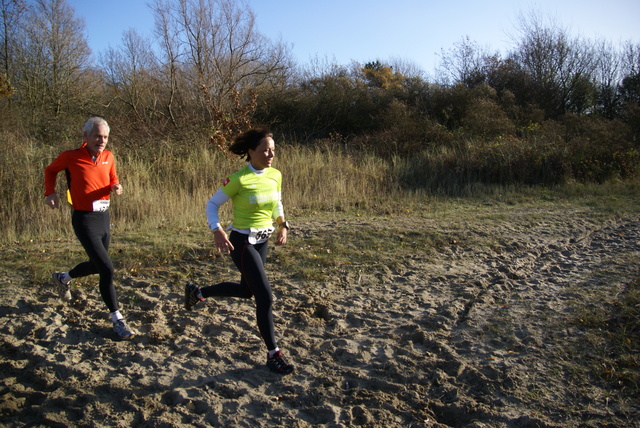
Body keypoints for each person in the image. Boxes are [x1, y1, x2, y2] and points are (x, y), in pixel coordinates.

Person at [184, 127, 294, 375]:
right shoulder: (239, 179)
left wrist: (282, 224)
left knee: (247, 291)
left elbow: (276, 201)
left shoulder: (275, 175)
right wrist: (217, 230)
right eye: (265, 150)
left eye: (273, 150)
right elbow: (212, 204)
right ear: (251, 151)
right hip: (241, 242)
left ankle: (198, 292)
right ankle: (273, 354)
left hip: (262, 241)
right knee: (264, 296)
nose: (270, 155)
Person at [44, 116, 135, 340]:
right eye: (97, 136)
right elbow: (50, 171)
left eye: (105, 137)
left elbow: (113, 177)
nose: (101, 141)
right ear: (86, 136)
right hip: (84, 219)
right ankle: (117, 320)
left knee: (97, 265)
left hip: (104, 217)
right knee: (107, 269)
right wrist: (50, 193)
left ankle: (64, 278)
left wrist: (116, 186)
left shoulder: (109, 156)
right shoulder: (70, 157)